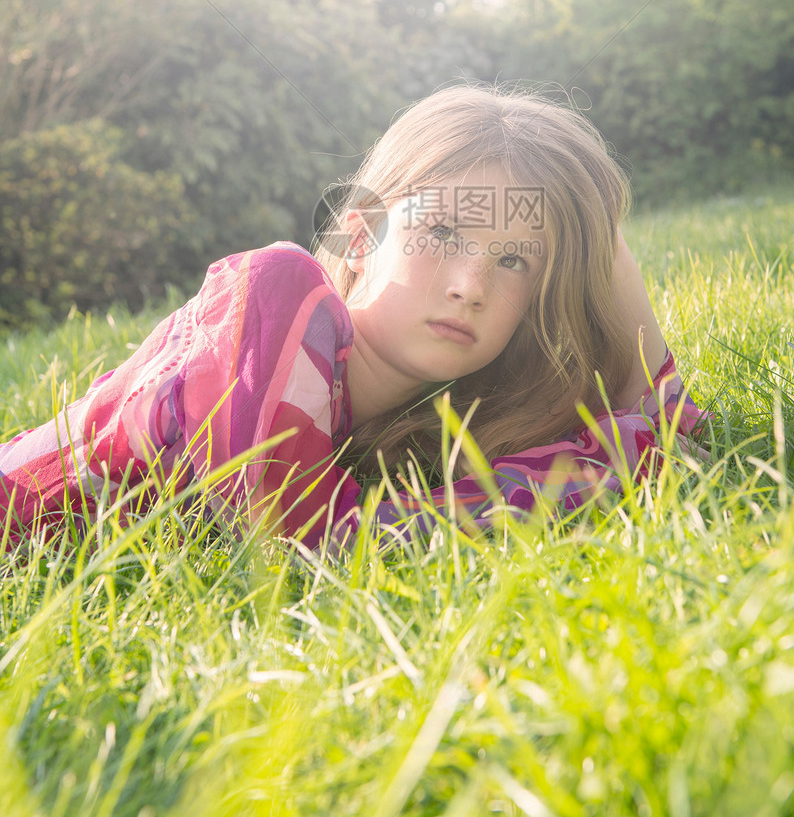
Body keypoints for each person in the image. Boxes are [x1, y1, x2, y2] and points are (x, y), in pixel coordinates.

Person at [0, 86, 704, 550]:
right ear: (360, 237)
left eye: (516, 260)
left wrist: (596, 235)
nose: (470, 285)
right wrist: (623, 458)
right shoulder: (275, 293)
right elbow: (313, 548)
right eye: (444, 233)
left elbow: (676, 430)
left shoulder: (398, 431)